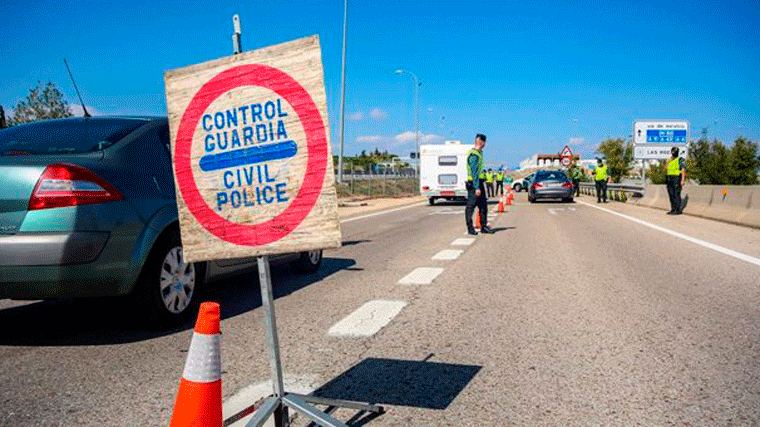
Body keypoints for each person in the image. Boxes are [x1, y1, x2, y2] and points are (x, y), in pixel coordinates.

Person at [465, 134, 494, 235]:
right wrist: (477, 187)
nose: (485, 145)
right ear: (481, 142)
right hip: (474, 184)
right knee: (471, 206)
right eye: (484, 142)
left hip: (479, 183)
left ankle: (484, 226)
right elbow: (474, 172)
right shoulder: (474, 155)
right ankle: (470, 228)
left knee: (483, 206)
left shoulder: (479, 153)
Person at [665, 146, 686, 215]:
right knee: (671, 194)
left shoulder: (680, 159)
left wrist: (682, 180)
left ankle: (677, 210)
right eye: (673, 152)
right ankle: (673, 209)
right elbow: (666, 168)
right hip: (669, 178)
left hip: (677, 178)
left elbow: (683, 169)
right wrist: (667, 162)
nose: (674, 153)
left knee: (676, 194)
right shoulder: (669, 160)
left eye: (675, 152)